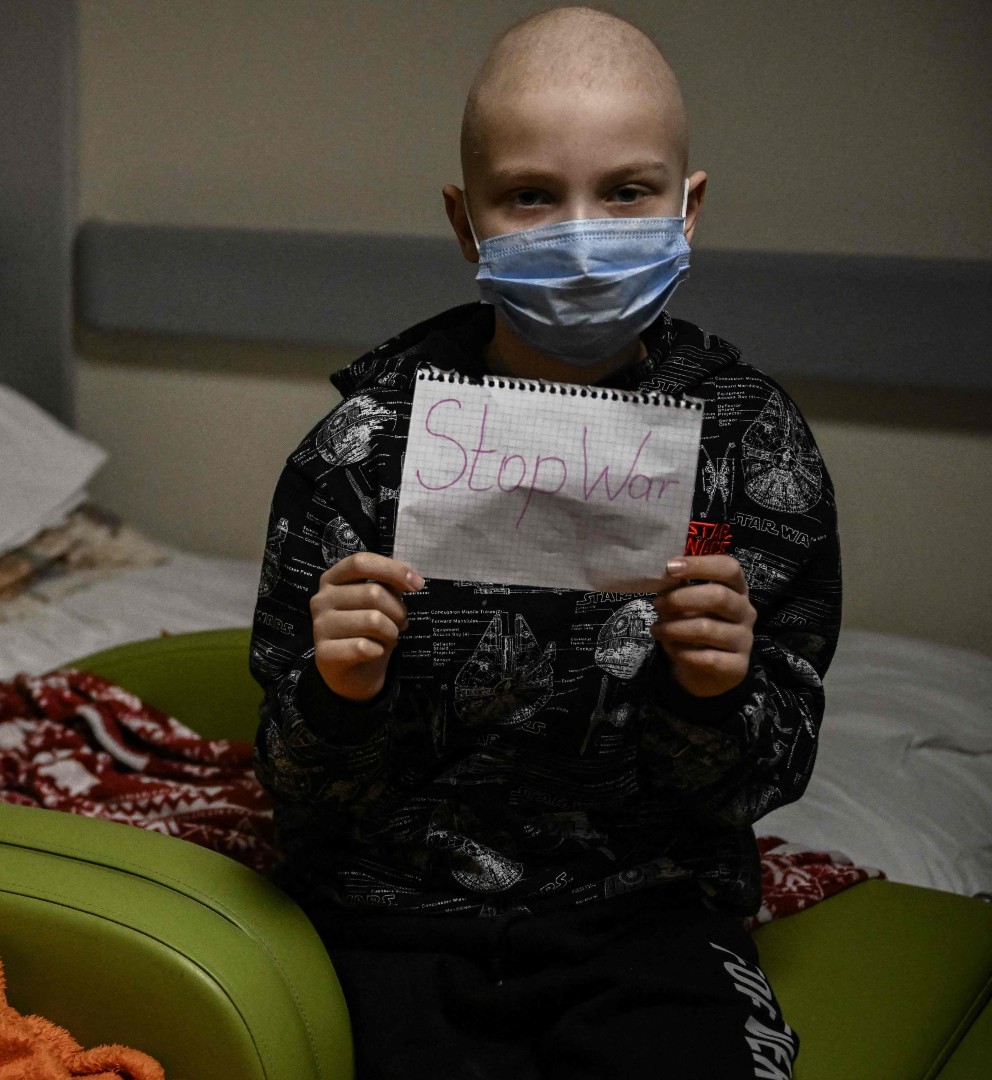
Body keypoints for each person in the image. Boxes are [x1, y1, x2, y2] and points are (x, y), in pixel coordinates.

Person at [250, 9, 839, 1078]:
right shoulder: (364, 448)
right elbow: (299, 788)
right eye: (529, 195)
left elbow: (767, 773)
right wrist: (338, 691)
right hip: (389, 916)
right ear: (465, 221)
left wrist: (713, 692)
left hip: (650, 915)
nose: (581, 236)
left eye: (627, 192)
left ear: (688, 206)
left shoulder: (752, 443)